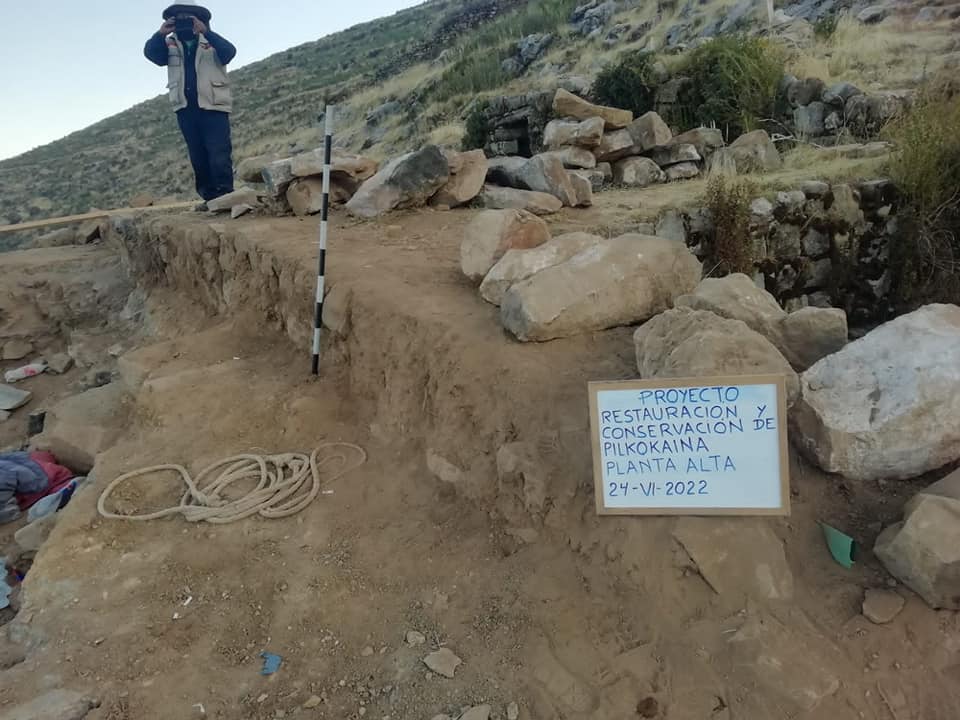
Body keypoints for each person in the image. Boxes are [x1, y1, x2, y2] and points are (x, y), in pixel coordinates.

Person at [144, 3, 237, 208]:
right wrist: (160, 34)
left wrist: (206, 32)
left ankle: (226, 195)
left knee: (218, 152)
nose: (185, 21)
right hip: (186, 109)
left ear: (199, 19)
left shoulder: (211, 41)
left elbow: (229, 52)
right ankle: (209, 197)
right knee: (197, 154)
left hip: (213, 105)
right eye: (180, 18)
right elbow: (152, 55)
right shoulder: (169, 44)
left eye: (189, 17)